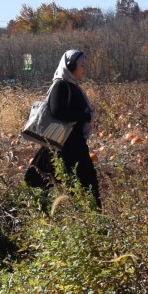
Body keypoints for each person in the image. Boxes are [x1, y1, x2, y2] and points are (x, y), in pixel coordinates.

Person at [24, 49, 100, 205]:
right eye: (82, 66)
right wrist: (84, 116)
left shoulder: (72, 86)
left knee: (83, 187)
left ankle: (85, 223)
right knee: (83, 186)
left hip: (72, 145)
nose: (84, 69)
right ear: (70, 66)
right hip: (62, 146)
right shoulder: (61, 85)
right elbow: (58, 111)